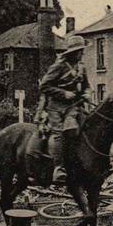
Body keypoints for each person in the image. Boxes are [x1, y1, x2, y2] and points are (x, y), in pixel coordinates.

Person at [27, 35, 91, 184]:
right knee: (60, 133)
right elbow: (44, 86)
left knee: (87, 128)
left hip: (75, 106)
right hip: (56, 108)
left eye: (82, 50)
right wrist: (64, 93)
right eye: (80, 51)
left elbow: (86, 85)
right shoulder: (58, 67)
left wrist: (87, 92)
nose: (82, 53)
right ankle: (59, 168)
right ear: (73, 52)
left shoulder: (81, 67)